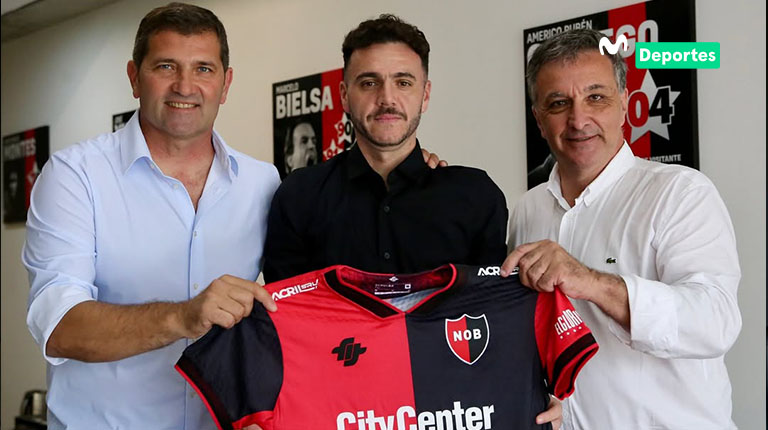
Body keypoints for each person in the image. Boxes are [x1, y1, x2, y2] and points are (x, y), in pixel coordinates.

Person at [263, 14, 561, 428]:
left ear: (425, 95)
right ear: (344, 95)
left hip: (451, 412)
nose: (387, 98)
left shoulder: (475, 197)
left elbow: (494, 320)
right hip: (337, 413)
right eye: (369, 82)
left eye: (403, 82)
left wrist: (533, 388)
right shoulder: (297, 197)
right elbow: (287, 325)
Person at [22, 3, 278, 429]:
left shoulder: (263, 183)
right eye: (166, 66)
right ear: (134, 77)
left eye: (203, 69)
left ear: (226, 83)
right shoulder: (75, 177)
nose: (185, 86)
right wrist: (183, 315)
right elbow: (59, 326)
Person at [501, 28, 741, 429]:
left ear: (626, 105)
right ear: (539, 120)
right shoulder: (527, 210)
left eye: (596, 97)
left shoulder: (680, 193)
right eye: (559, 103)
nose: (579, 119)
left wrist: (590, 282)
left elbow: (715, 322)